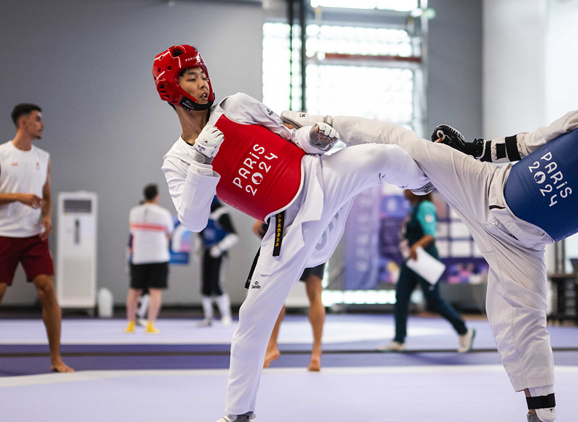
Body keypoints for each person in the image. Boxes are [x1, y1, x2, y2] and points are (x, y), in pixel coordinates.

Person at [284, 56, 578, 422]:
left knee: (527, 325)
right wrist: (471, 148)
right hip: (484, 185)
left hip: (523, 246)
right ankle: (312, 123)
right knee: (406, 142)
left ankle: (542, 415)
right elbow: (527, 144)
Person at [153, 45, 430, 421]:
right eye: (192, 78)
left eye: (203, 75)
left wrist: (312, 139)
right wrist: (202, 165)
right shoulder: (178, 160)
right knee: (252, 319)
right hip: (287, 227)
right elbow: (192, 219)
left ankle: (434, 177)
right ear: (171, 88)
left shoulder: (235, 106)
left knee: (378, 156)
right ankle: (238, 413)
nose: (203, 84)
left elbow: (286, 134)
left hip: (319, 176)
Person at [0, 104, 72, 372]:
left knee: (47, 290)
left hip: (34, 237)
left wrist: (47, 217)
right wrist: (19, 196)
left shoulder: (43, 157)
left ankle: (55, 359)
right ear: (23, 124)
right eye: (38, 120)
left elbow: (47, 196)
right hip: (4, 234)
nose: (42, 124)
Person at [378, 190, 474, 353]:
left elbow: (430, 235)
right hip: (411, 261)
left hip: (425, 260)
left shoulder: (426, 207)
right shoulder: (413, 207)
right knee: (401, 297)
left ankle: (464, 331)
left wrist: (416, 246)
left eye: (407, 187)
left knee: (433, 300)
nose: (404, 190)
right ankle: (399, 340)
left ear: (416, 188)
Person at [253, 220, 326, 372]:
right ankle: (316, 353)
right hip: (314, 227)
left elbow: (258, 227)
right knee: (315, 292)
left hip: (289, 227)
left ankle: (272, 346)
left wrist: (262, 218)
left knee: (277, 290)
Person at [125, 184, 174, 334]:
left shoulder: (133, 212)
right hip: (158, 257)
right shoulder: (163, 213)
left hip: (139, 257)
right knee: (155, 292)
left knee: (134, 291)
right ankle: (150, 324)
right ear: (156, 196)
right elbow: (169, 234)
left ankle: (130, 325)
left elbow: (132, 232)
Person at [197, 198, 238, 327]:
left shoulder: (222, 214)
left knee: (217, 284)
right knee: (206, 285)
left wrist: (220, 247)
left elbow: (233, 235)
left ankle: (226, 315)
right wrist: (197, 250)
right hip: (207, 253)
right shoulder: (204, 214)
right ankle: (208, 317)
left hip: (219, 255)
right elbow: (200, 235)